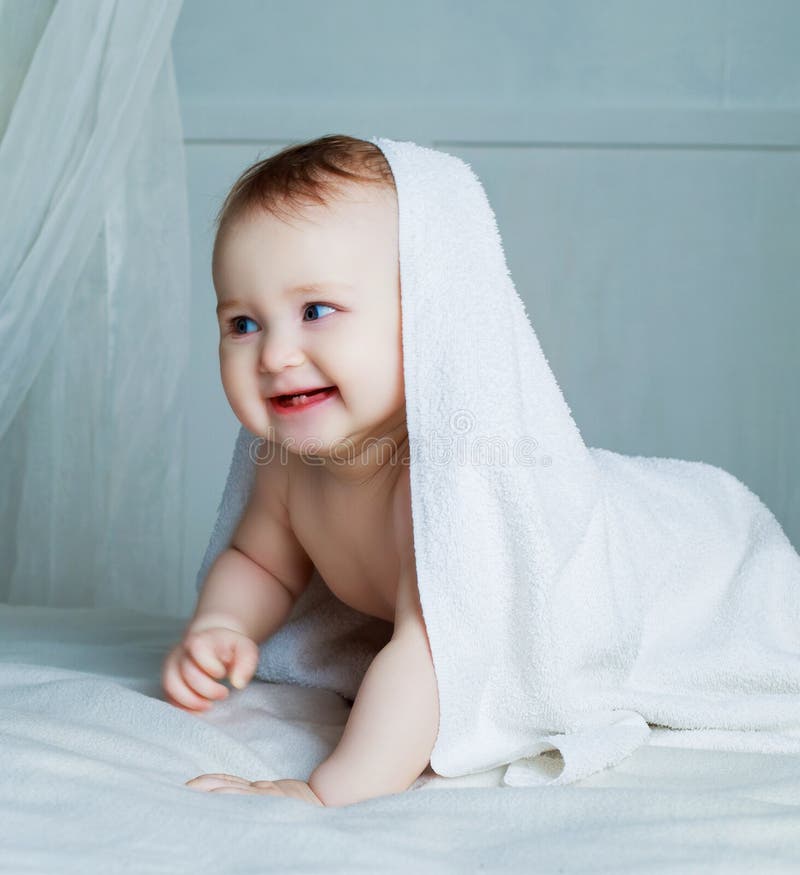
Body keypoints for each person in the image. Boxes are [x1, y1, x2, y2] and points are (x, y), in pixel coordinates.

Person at [161, 135, 439, 808]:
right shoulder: (287, 465)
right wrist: (223, 624)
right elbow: (261, 562)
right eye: (244, 323)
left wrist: (328, 791)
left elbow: (432, 657)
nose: (277, 354)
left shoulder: (430, 485)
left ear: (424, 316)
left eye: (316, 310)